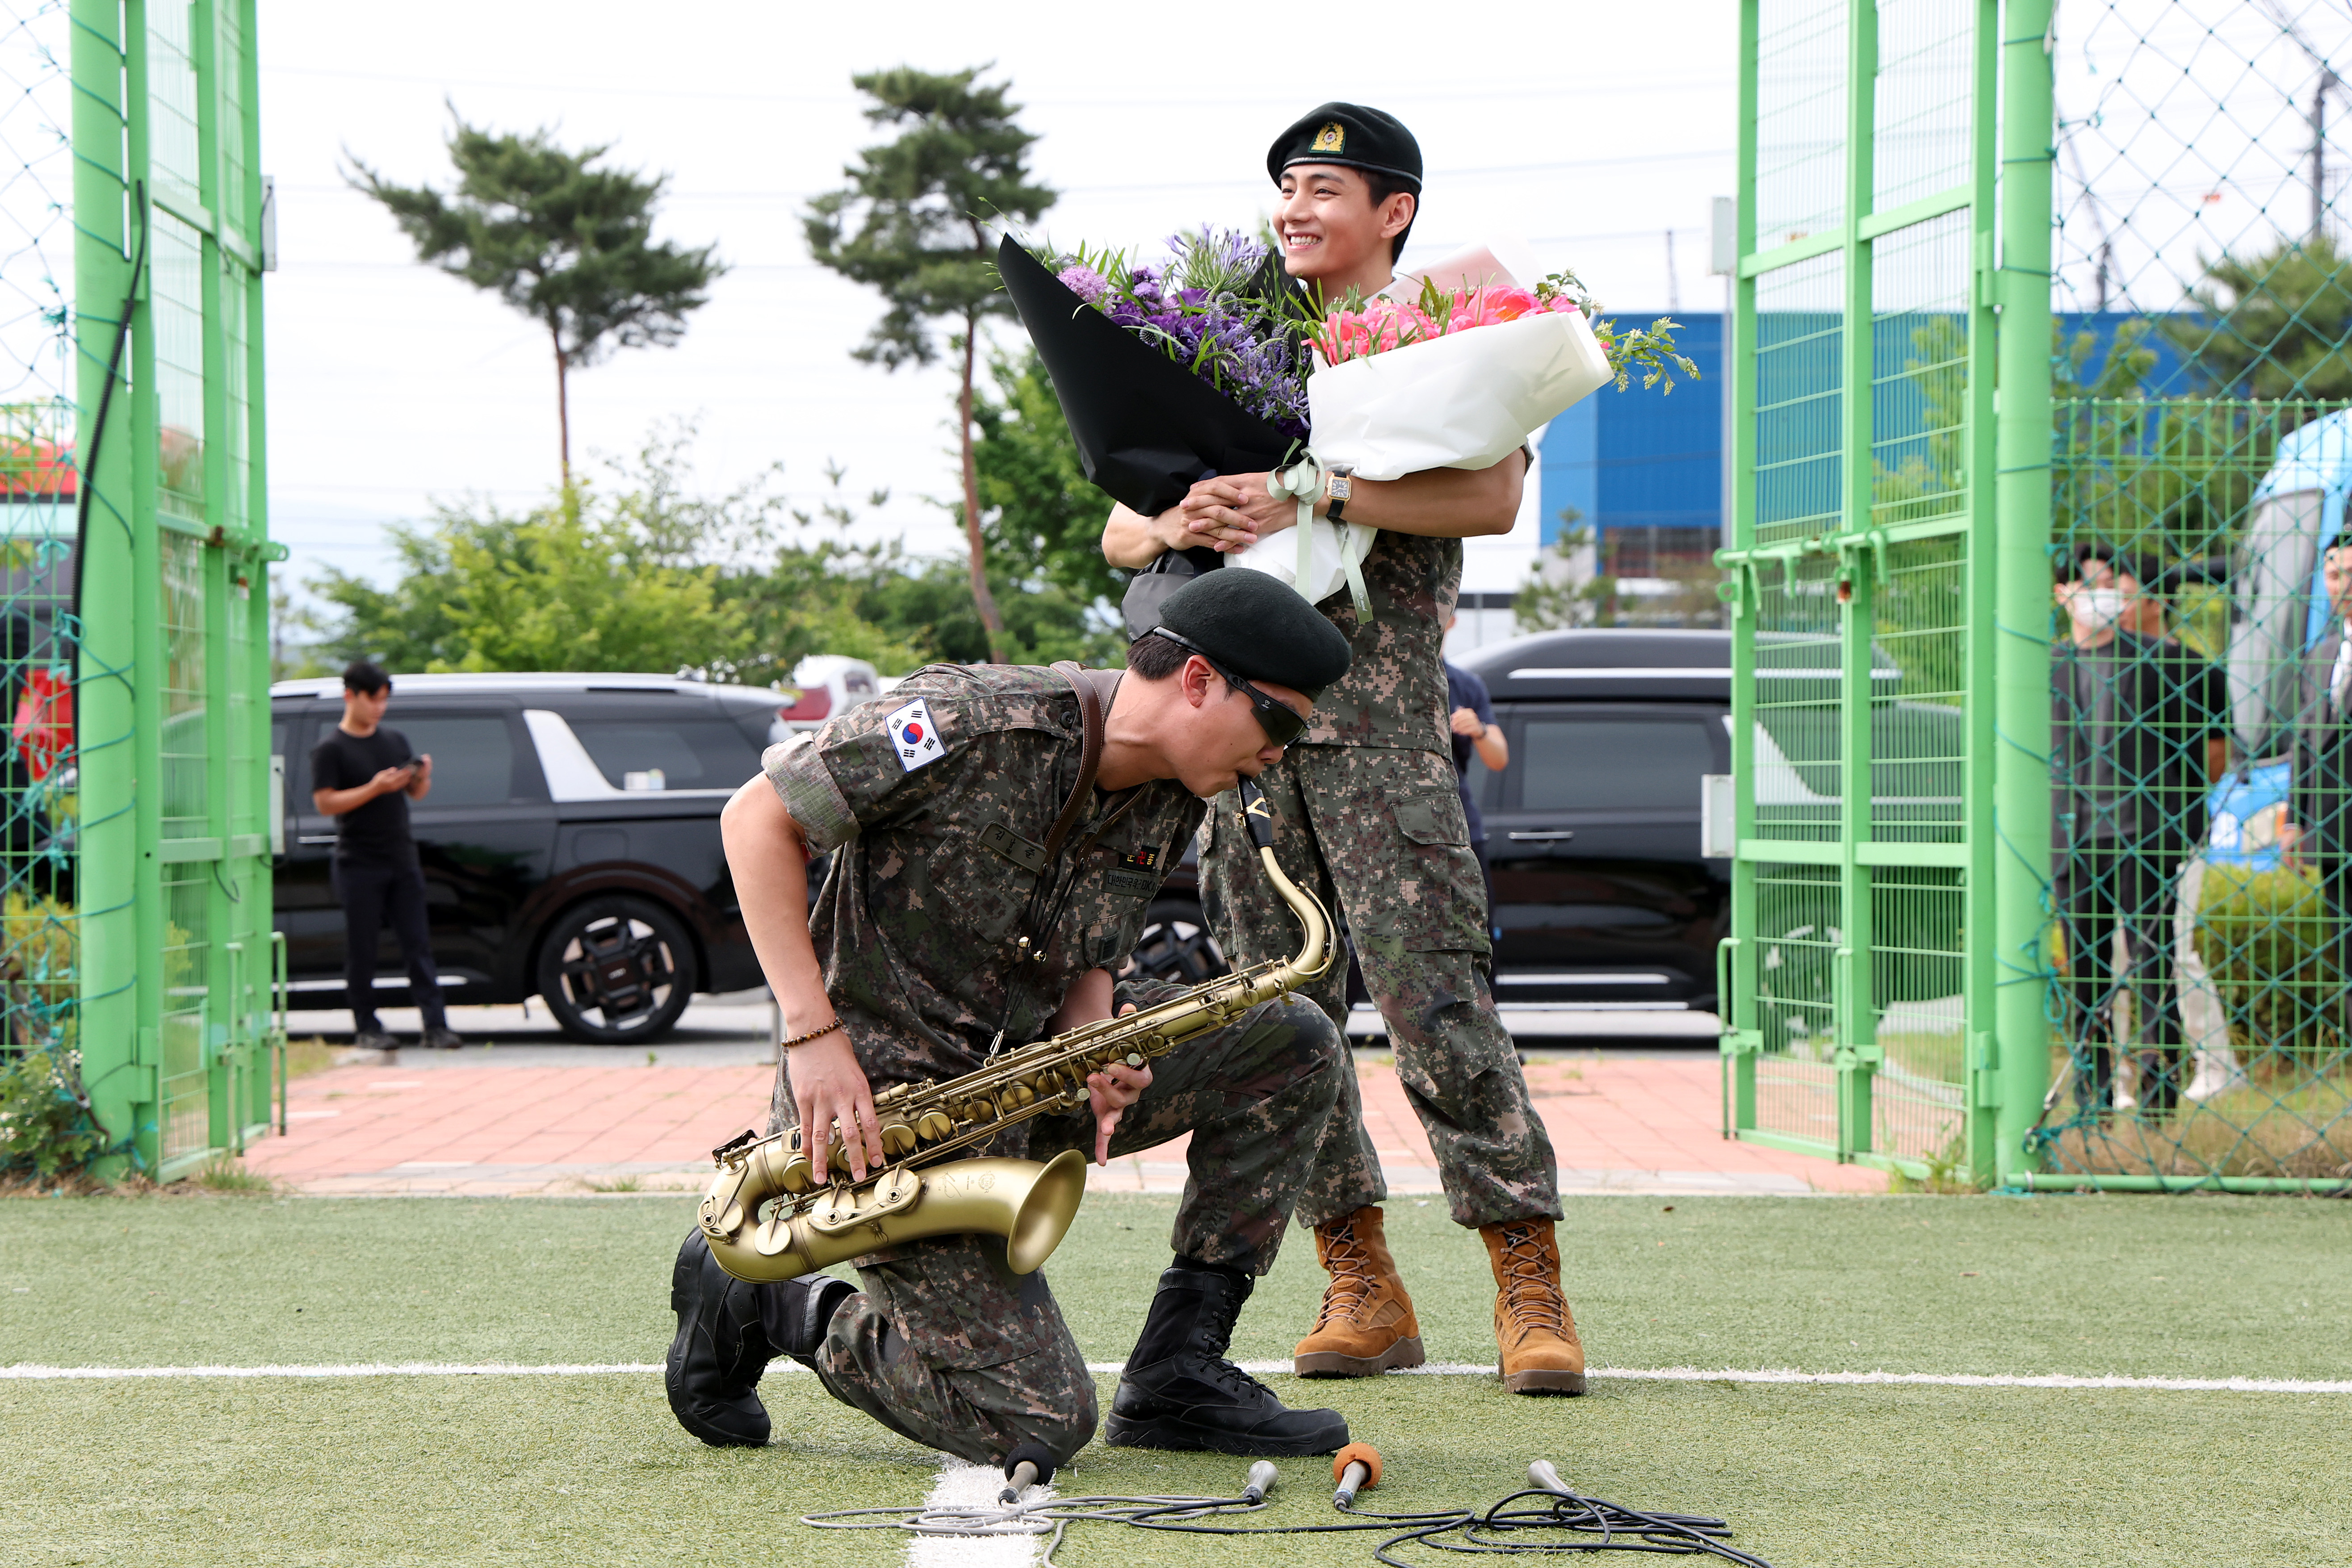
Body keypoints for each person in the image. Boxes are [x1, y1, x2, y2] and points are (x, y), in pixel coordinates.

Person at [1100, 103, 1580, 1397]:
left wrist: (1315, 491)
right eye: (1286, 192)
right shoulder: (1231, 336)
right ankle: (1360, 1275)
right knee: (1275, 1015)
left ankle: (1526, 1276)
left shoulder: (1449, 332)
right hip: (1241, 740)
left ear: (1395, 212)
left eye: (1324, 188)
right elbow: (1120, 536)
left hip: (1382, 738)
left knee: (1437, 1001)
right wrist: (1182, 515)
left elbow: (1489, 496)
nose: (1295, 211)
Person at [666, 569, 1357, 1466]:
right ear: (1197, 681)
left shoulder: (1179, 783)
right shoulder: (970, 721)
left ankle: (1178, 1373)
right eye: (1280, 724)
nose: (1281, 755)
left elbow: (1092, 941)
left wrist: (1098, 1036)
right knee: (1038, 1426)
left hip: (1028, 1079)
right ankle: (769, 1305)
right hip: (880, 1115)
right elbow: (756, 818)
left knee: (1294, 1040)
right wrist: (811, 1034)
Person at [2051, 544, 2228, 1119]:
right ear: (2062, 594)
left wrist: (2186, 816)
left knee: (2153, 968)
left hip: (2146, 838)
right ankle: (2095, 1097)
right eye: (2086, 585)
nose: (2099, 597)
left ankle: (2158, 1099)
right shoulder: (2048, 669)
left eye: (2109, 584)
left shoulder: (2167, 663)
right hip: (2074, 842)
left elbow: (2212, 745)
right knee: (2086, 975)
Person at [309, 661, 460, 1052]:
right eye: (372, 700)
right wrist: (374, 788)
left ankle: (436, 1025)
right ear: (350, 696)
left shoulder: (394, 741)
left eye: (384, 701)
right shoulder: (330, 749)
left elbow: (416, 795)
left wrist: (421, 776)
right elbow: (325, 803)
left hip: (401, 858)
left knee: (418, 944)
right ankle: (367, 1025)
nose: (379, 709)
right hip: (358, 861)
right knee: (364, 949)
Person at [2285, 540, 2352, 1027]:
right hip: (2333, 832)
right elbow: (2304, 745)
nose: (2343, 585)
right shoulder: (2318, 656)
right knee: (2345, 950)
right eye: (2334, 575)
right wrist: (2295, 819)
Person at [1445, 615, 1508, 942]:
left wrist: (1479, 730)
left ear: (1451, 620)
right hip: (1397, 826)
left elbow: (1499, 757)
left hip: (1462, 827)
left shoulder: (1465, 685)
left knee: (1476, 931)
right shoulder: (1386, 681)